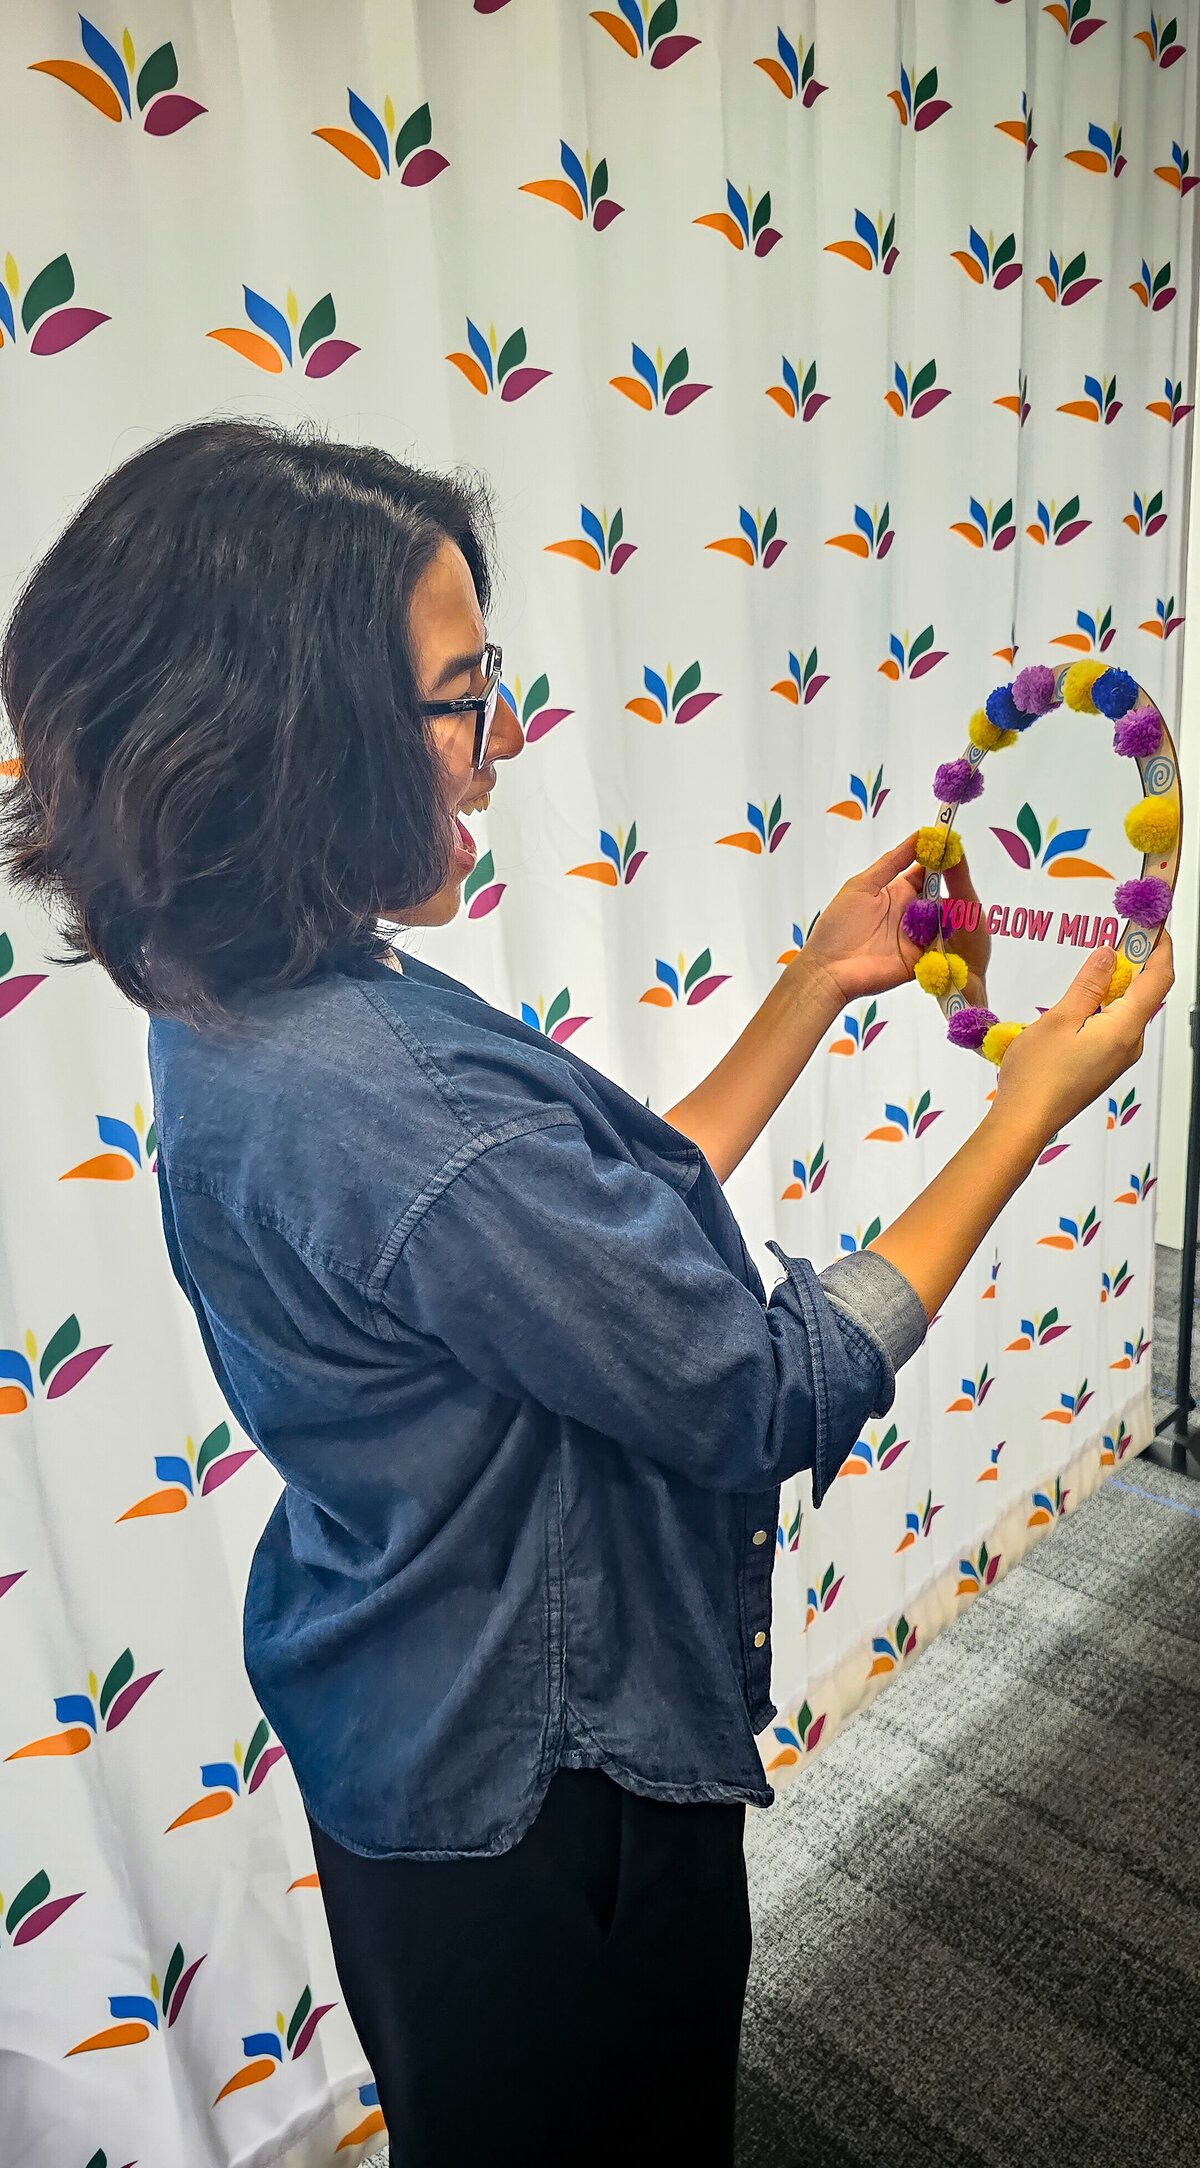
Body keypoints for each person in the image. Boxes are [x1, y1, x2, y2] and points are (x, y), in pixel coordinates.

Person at [0, 420, 1170, 2167]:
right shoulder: (384, 1095)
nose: (500, 742)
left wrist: (812, 985)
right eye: (463, 694)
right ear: (301, 745)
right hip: (539, 1799)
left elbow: (584, 1232)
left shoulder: (237, 989)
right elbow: (757, 1391)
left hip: (406, 1716)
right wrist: (1024, 1116)